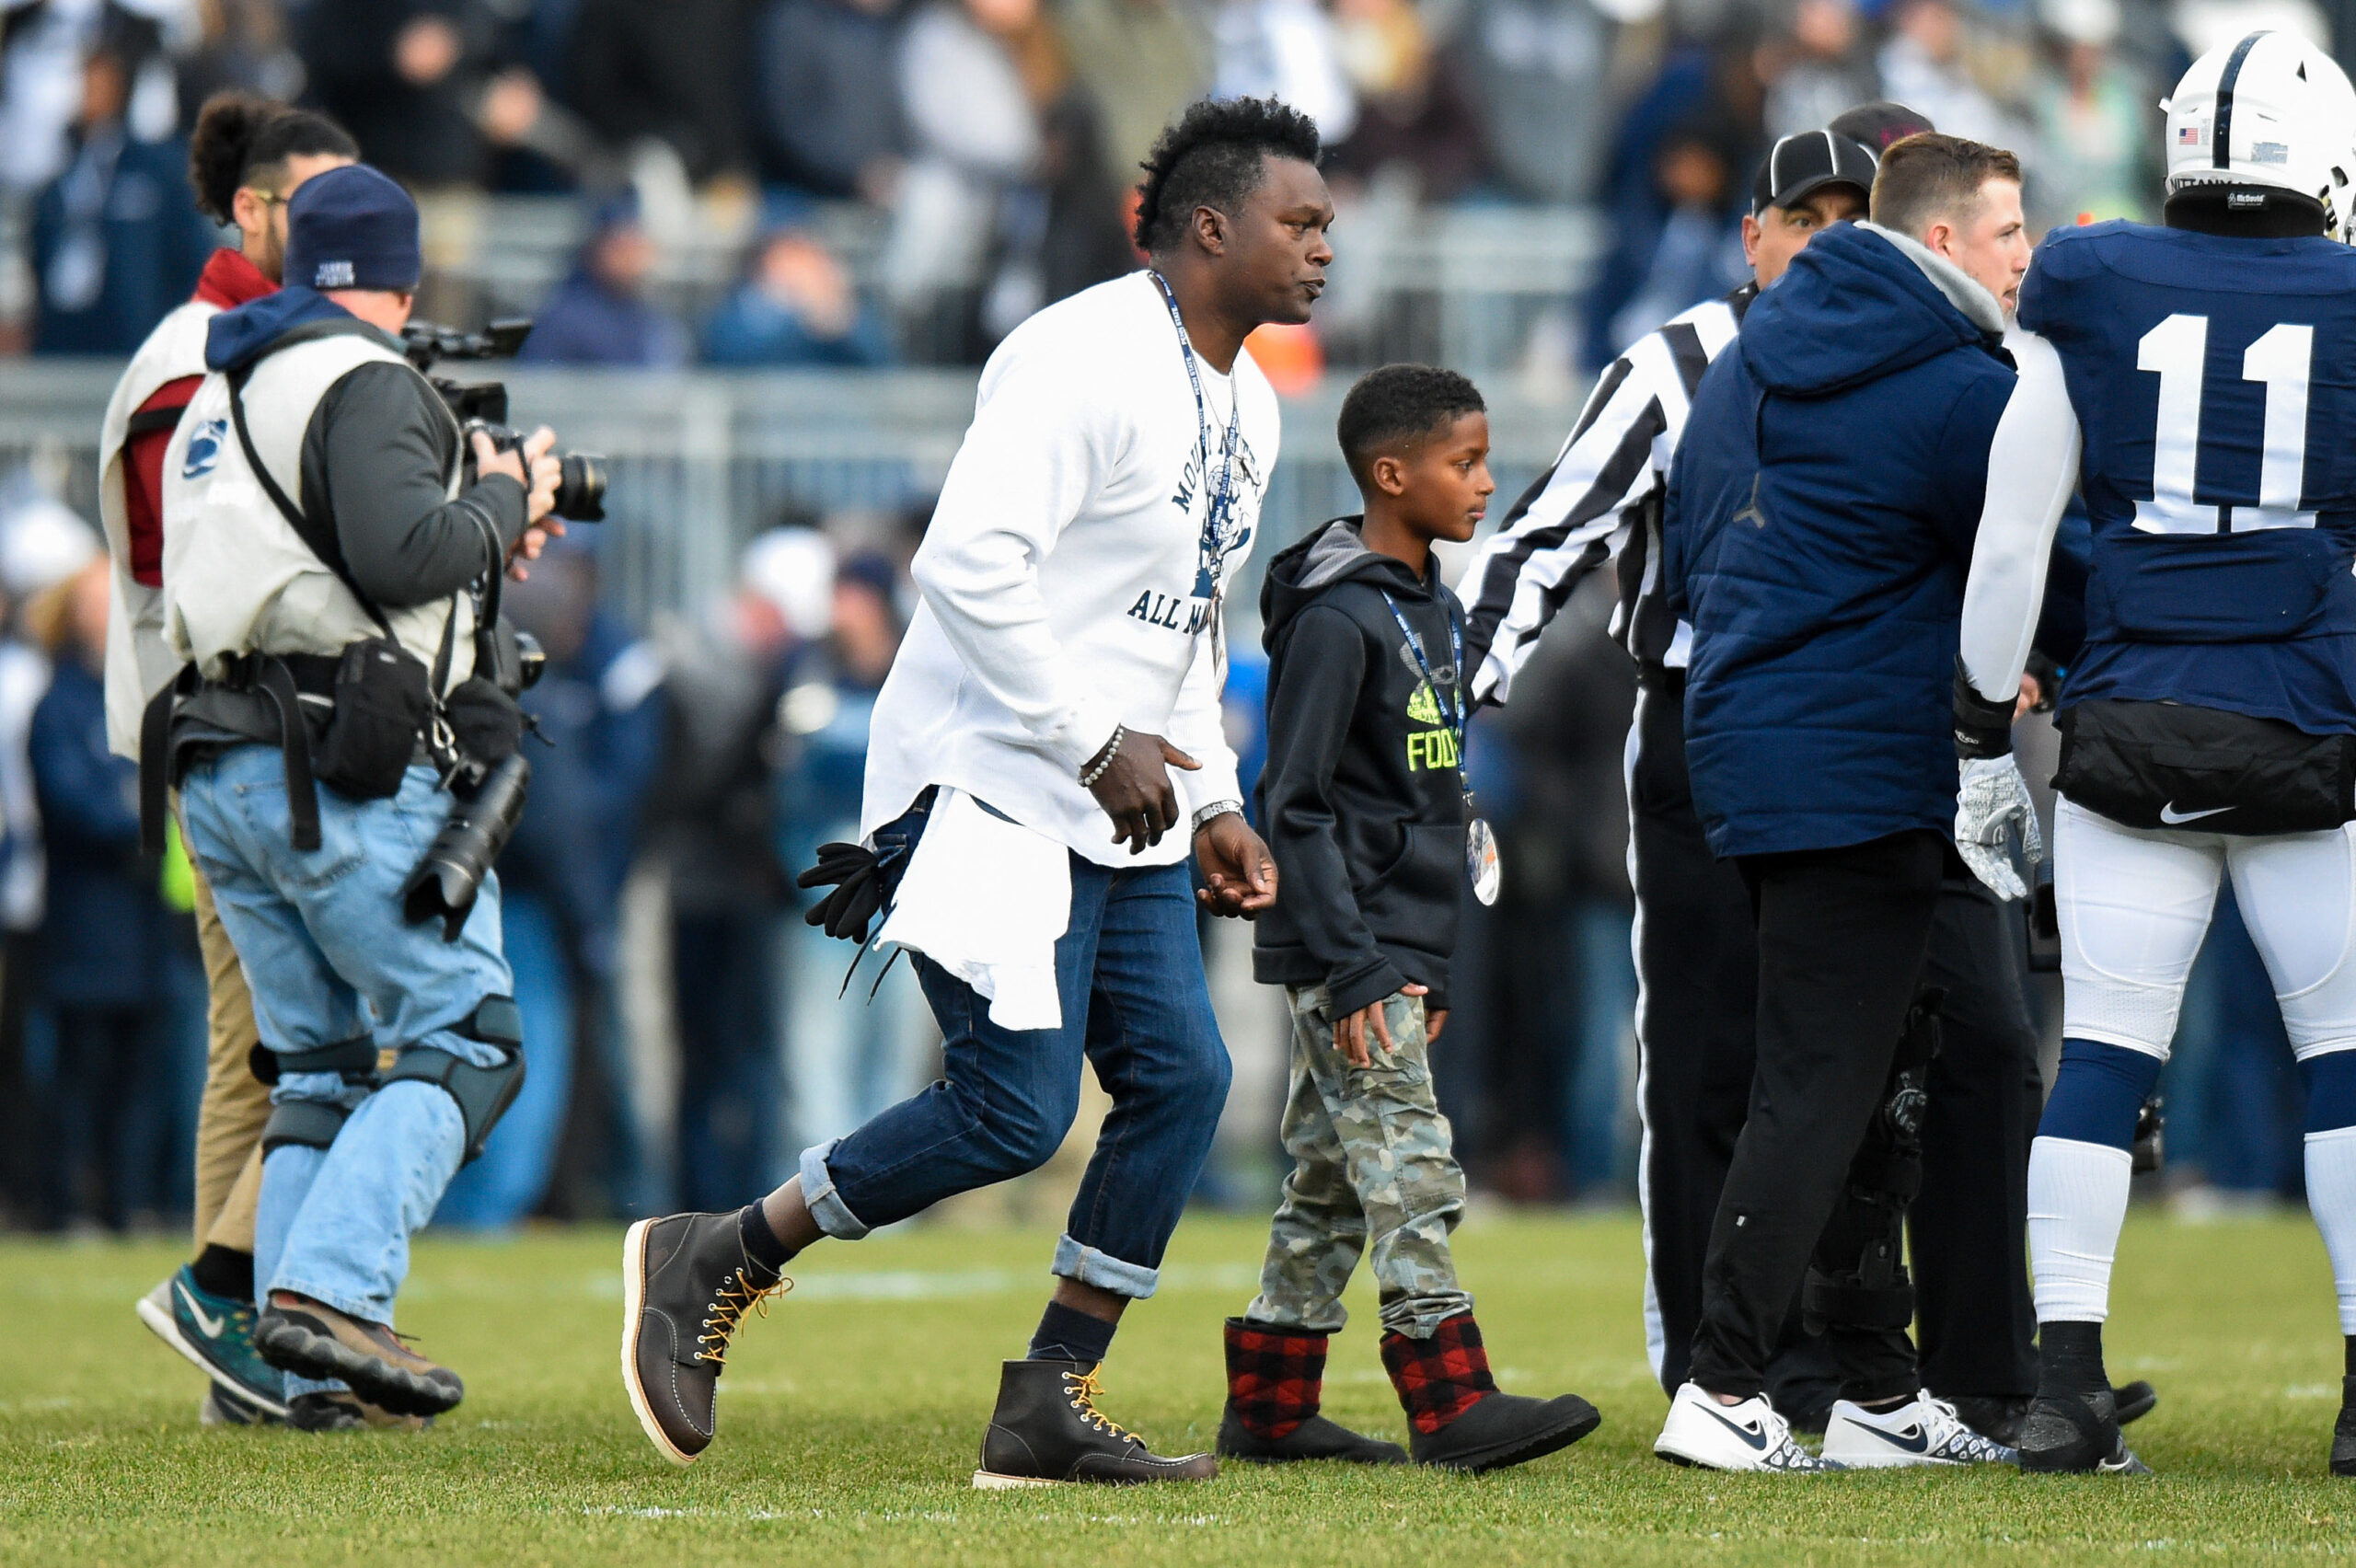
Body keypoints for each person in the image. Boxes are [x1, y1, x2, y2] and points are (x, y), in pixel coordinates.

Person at [618, 94, 1327, 1486]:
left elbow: (1185, 624)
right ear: (1210, 225)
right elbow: (966, 566)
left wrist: (1220, 798)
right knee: (1014, 1109)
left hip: (1115, 795)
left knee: (1182, 1081)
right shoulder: (1076, 356)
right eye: (1298, 223)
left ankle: (1048, 1398)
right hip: (986, 776)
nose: (1321, 248)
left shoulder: (1250, 401)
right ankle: (725, 1249)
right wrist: (1083, 739)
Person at [1457, 110, 2107, 1449]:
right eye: (1801, 219)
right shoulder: (1701, 364)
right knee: (1748, 1064)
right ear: (1751, 235)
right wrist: (1441, 722)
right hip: (1766, 733)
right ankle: (1729, 1372)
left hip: (1841, 727)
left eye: (1844, 218)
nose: (1824, 242)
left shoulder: (1842, 364)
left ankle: (1928, 1376)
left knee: (1945, 1053)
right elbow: (1546, 543)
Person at [1952, 29, 2356, 1477]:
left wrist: (1978, 718)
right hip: (2314, 727)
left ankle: (2066, 1390)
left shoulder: (2094, 276)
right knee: (2348, 1062)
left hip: (2130, 722)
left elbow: (2014, 530)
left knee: (2105, 1059)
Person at [1648, 132, 2034, 1472]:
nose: (2025, 257)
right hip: (1866, 773)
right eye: (2008, 233)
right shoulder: (1960, 386)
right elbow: (2043, 567)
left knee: (1888, 1077)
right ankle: (1723, 1382)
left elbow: (1691, 545)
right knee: (1820, 1083)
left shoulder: (1744, 359)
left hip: (1760, 751)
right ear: (1941, 246)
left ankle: (1876, 1383)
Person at [156, 163, 564, 1431]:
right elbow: (401, 556)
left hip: (219, 756)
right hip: (330, 757)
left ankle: (282, 1375)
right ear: (404, 275)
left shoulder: (220, 385)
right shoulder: (366, 378)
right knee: (473, 1033)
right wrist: (507, 498)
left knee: (323, 1067)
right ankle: (327, 1298)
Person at [1218, 363, 1600, 1471]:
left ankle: (1271, 1409)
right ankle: (1450, 1402)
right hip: (1347, 951)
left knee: (1334, 1183)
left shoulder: (1429, 602)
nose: (1485, 483)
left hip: (1394, 947)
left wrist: (1417, 960)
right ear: (1392, 474)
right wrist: (1358, 969)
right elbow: (1292, 805)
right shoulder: (1339, 619)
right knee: (1413, 1165)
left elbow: (1422, 807)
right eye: (1464, 463)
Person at [102, 91, 358, 1430]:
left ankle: (273, 1334)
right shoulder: (189, 362)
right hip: (236, 739)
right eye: (319, 210)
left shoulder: (280, 343)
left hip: (282, 740)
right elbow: (181, 574)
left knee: (281, 1042)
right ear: (253, 209)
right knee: (279, 1043)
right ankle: (247, 1332)